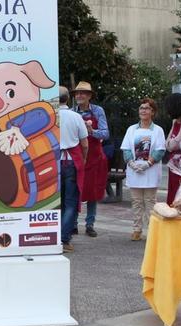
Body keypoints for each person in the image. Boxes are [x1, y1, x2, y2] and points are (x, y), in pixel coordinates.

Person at [121, 98, 166, 241]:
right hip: (134, 171)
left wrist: (148, 163)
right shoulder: (131, 129)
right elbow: (126, 148)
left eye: (147, 108)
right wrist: (131, 163)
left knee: (150, 202)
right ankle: (136, 229)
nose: (143, 110)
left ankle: (152, 230)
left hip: (150, 172)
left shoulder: (158, 130)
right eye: (141, 108)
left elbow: (160, 150)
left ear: (153, 112)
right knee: (136, 202)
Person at [72, 81, 109, 237]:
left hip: (94, 157)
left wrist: (91, 131)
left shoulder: (98, 111)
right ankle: (73, 224)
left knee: (92, 192)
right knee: (75, 192)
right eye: (77, 93)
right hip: (77, 156)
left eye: (83, 93)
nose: (79, 96)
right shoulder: (72, 112)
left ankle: (89, 224)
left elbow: (105, 133)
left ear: (89, 96)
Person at [57, 86, 88, 253]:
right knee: (70, 201)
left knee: (56, 201)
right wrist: (83, 159)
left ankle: (54, 235)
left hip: (53, 163)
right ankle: (64, 239)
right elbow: (84, 144)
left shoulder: (49, 115)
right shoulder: (76, 117)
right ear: (68, 99)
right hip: (71, 162)